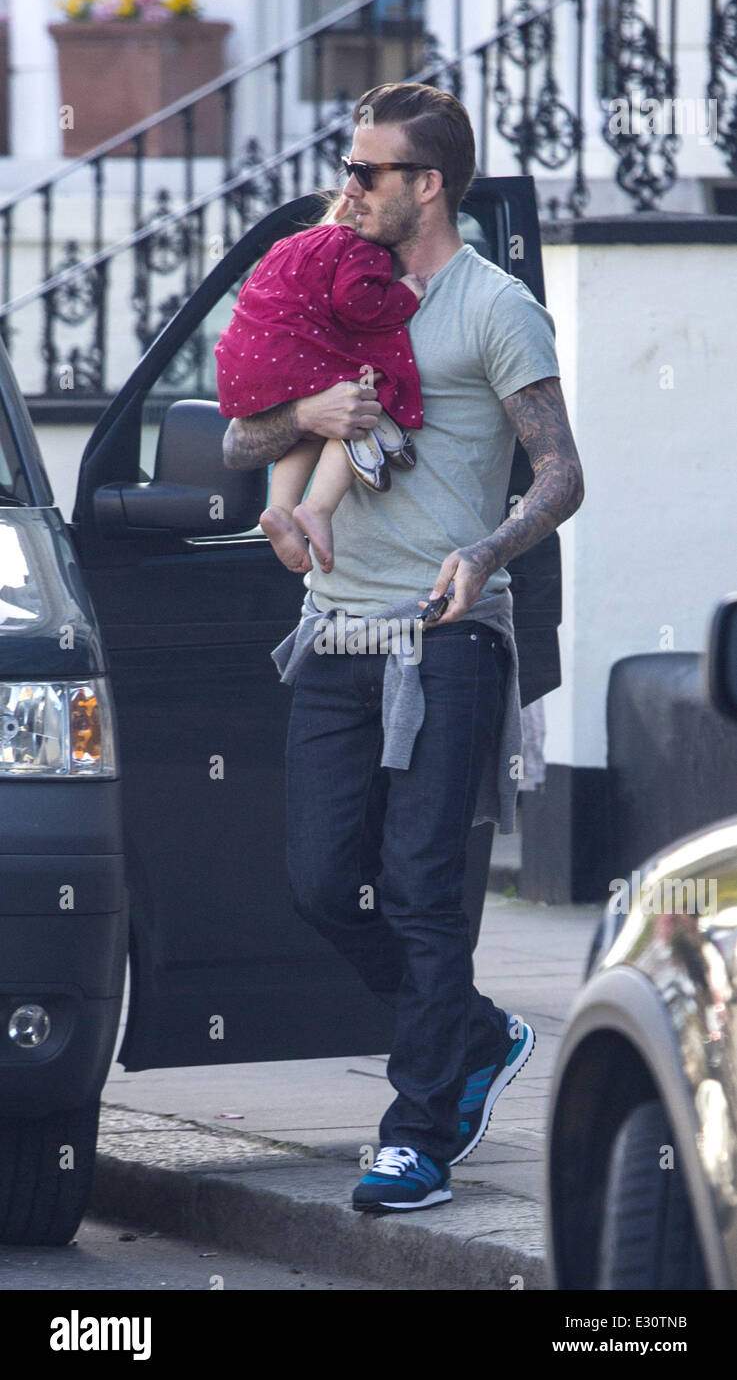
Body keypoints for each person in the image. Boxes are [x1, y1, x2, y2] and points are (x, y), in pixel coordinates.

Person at [223, 81, 584, 1213]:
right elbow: (238, 437)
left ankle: (415, 1131)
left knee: (426, 894)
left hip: (446, 634)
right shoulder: (330, 281)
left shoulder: (495, 308)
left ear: (427, 184)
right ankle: (471, 1032)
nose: (347, 185)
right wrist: (310, 416)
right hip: (332, 634)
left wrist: (487, 549)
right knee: (321, 883)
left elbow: (562, 473)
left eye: (366, 169)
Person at [214, 193, 425, 575]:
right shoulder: (361, 247)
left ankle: (280, 509)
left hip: (245, 358)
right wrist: (403, 293)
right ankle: (317, 508)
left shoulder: (292, 244)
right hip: (291, 354)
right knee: (358, 403)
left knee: (309, 426)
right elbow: (356, 302)